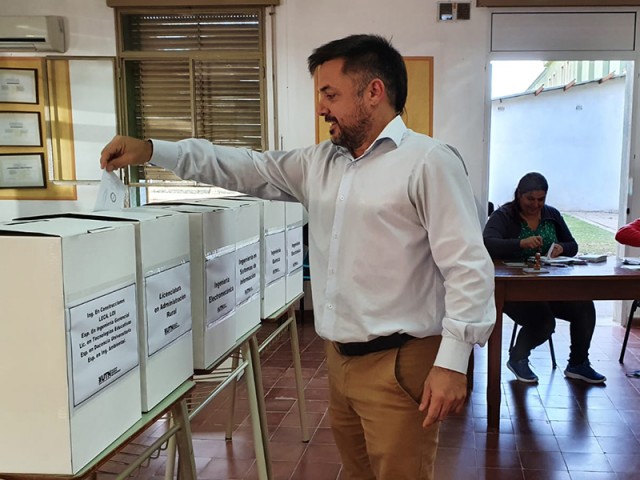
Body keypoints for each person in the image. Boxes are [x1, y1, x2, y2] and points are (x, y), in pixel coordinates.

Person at [100, 34, 496, 480]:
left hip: (401, 364)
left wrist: (453, 362)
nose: (322, 107)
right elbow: (244, 166)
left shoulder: (428, 162)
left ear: (373, 92)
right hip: (340, 360)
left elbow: (468, 266)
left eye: (331, 94)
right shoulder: (319, 163)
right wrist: (155, 150)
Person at [483, 172, 606, 384]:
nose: (536, 204)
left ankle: (578, 364)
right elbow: (488, 242)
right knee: (543, 322)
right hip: (514, 289)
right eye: (530, 199)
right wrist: (520, 244)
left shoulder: (552, 215)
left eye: (541, 199)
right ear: (519, 195)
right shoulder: (504, 216)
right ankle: (518, 358)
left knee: (584, 307)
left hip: (549, 285)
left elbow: (573, 245)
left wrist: (562, 248)